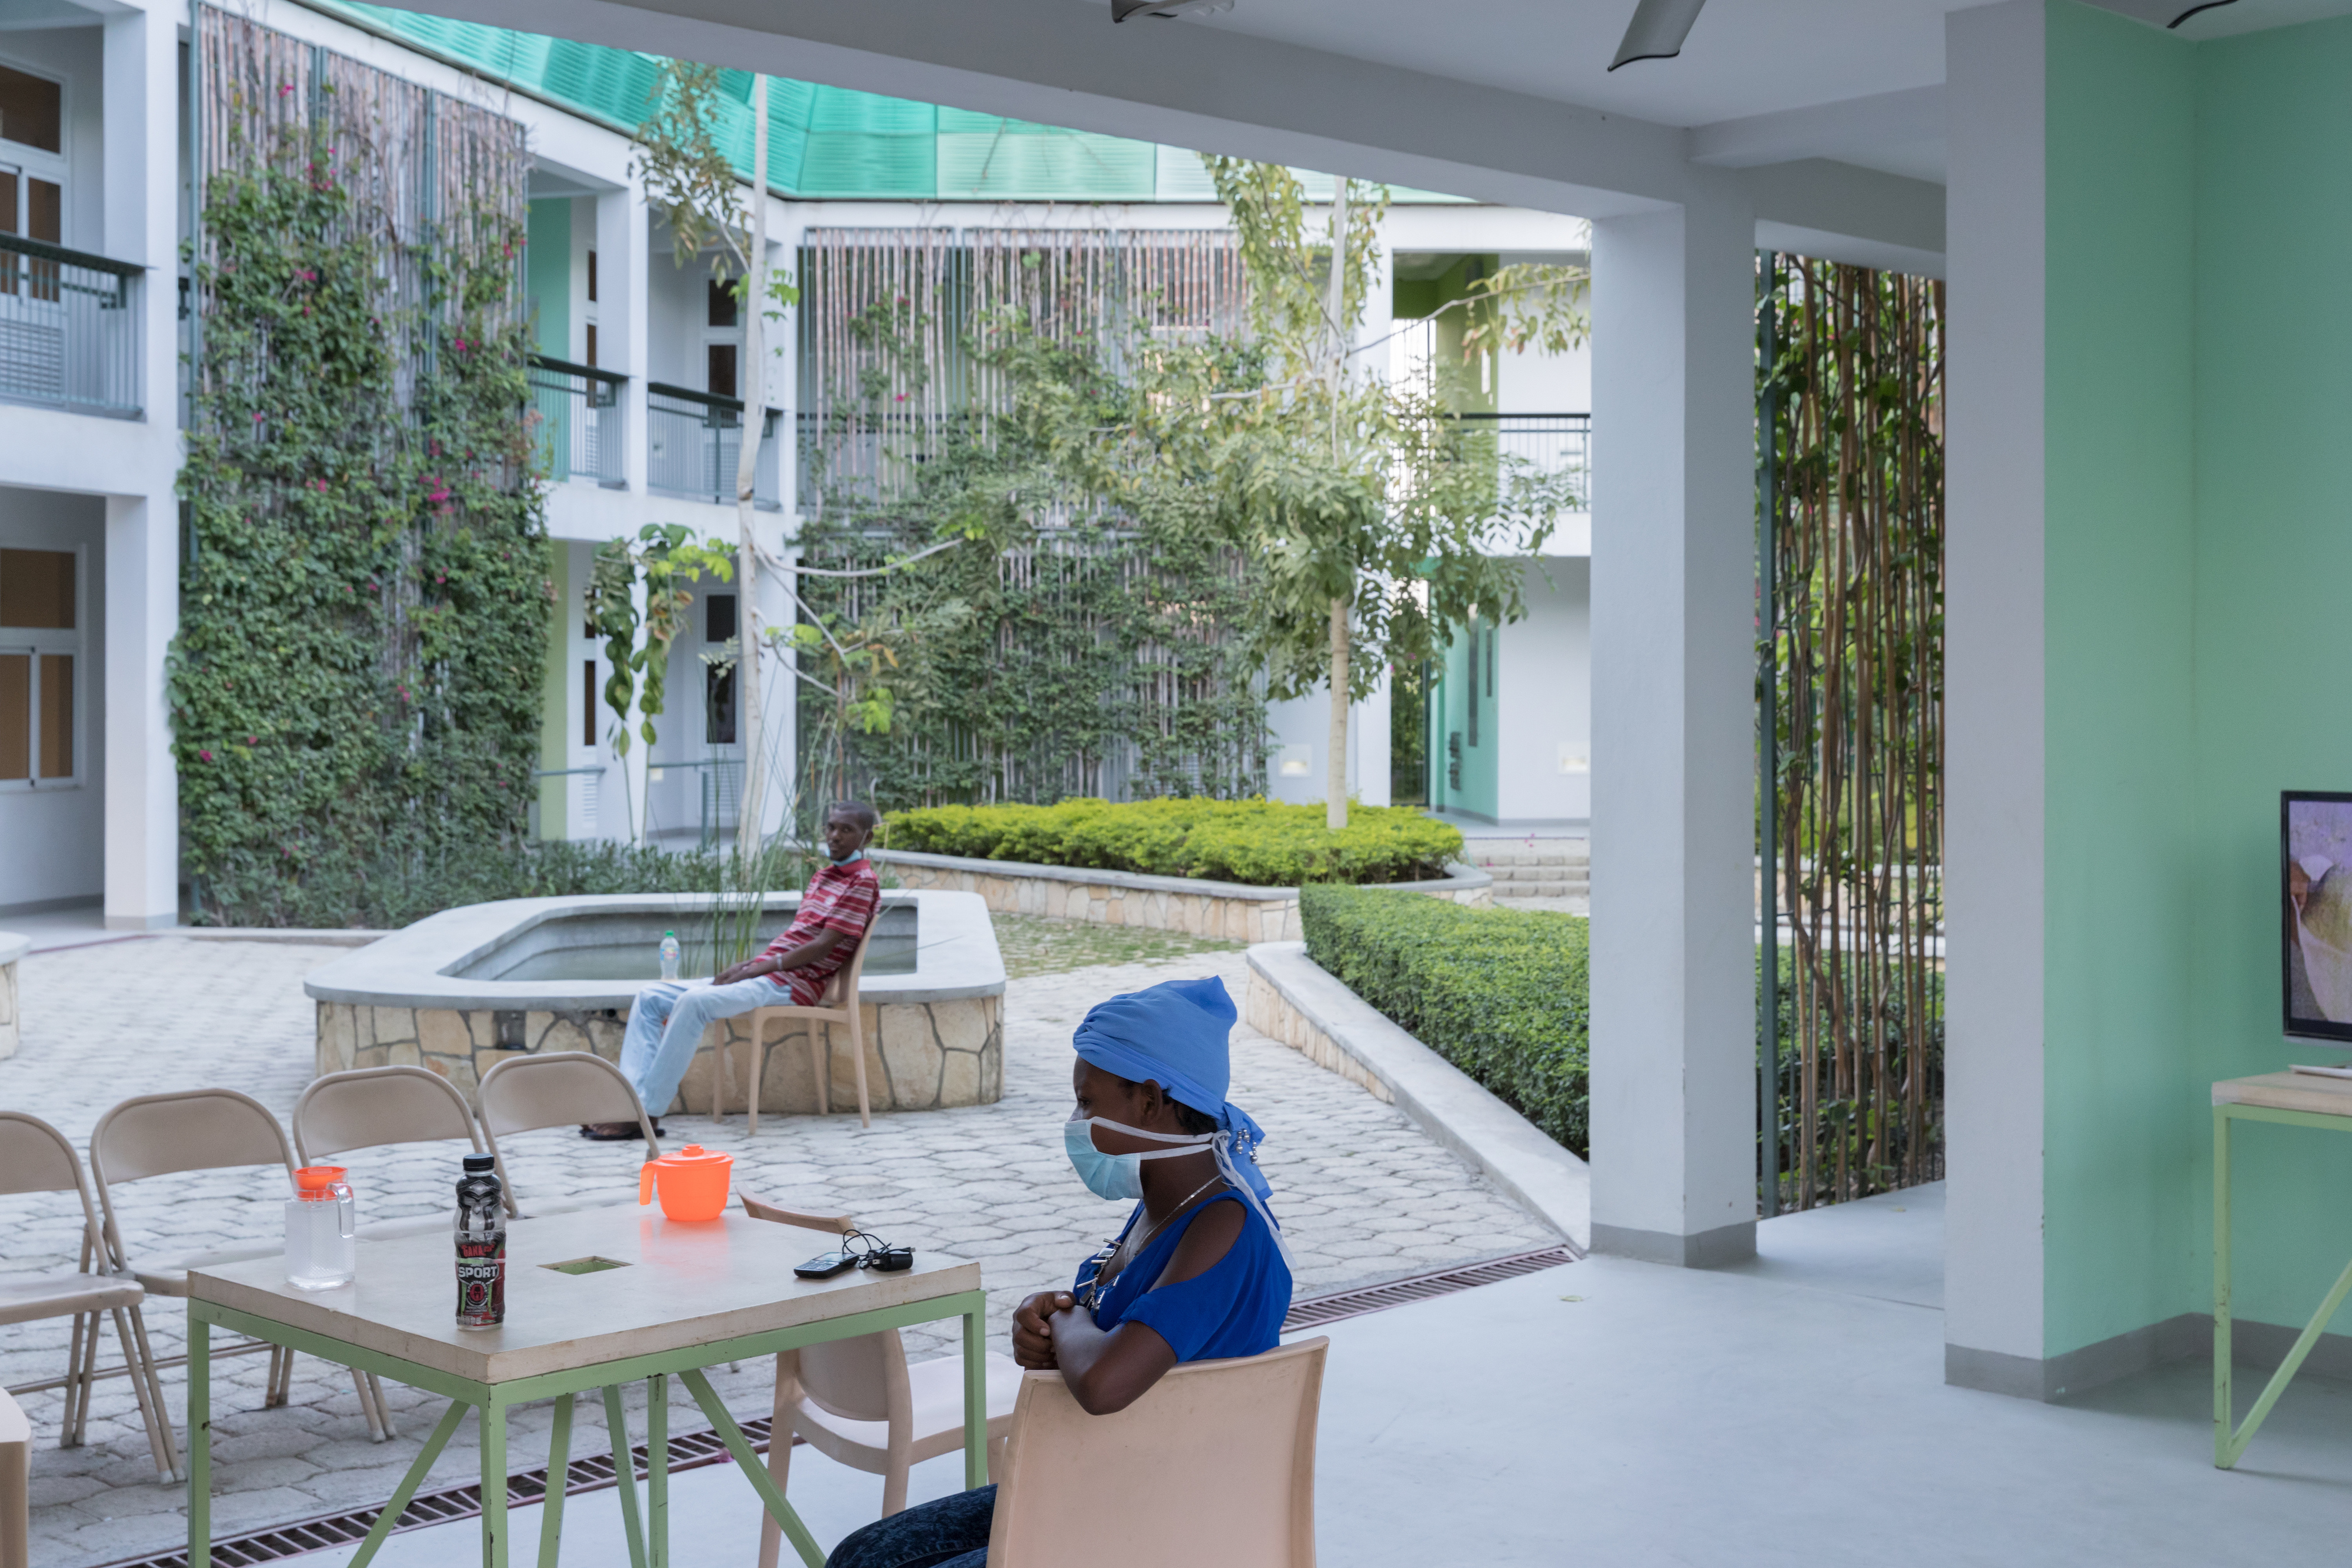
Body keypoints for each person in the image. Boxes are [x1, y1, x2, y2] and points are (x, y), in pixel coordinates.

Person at [824, 974, 1294, 1568]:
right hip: (1098, 1476)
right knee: (861, 1555)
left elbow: (1103, 1382)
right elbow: (1104, 1339)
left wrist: (1066, 1320)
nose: (1076, 1120)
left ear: (1149, 1100)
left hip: (1161, 1509)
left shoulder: (1223, 1225)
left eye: (1087, 1101)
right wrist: (1048, 1321)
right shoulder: (1164, 1206)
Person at [580, 802, 882, 1140]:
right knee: (651, 996)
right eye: (831, 827)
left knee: (694, 1003)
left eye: (847, 830)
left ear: (866, 837)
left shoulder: (861, 882)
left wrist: (757, 970)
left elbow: (822, 947)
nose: (835, 836)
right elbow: (798, 938)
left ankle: (647, 1113)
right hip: (769, 974)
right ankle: (628, 1106)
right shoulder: (824, 876)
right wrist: (748, 966)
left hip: (794, 984)